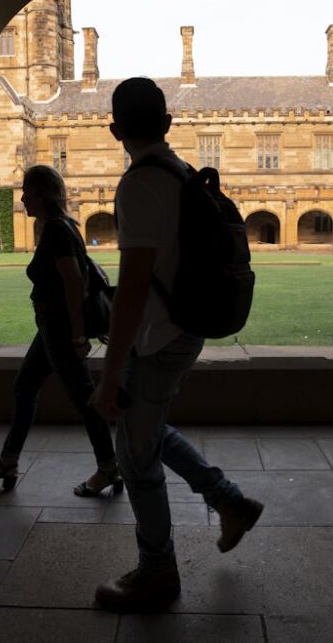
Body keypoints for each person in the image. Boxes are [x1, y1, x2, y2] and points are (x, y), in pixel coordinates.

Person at [90, 78, 264, 612]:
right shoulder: (182, 171)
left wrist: (109, 372)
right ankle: (229, 502)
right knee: (147, 429)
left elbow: (133, 287)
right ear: (167, 124)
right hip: (186, 327)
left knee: (135, 458)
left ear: (115, 130)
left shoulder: (140, 183)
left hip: (159, 336)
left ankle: (158, 573)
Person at [0, 165, 123, 497]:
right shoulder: (64, 224)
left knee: (84, 398)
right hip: (51, 330)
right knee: (25, 387)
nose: (23, 198)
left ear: (41, 195)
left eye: (27, 192)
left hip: (61, 331)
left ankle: (109, 466)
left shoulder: (55, 230)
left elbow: (74, 282)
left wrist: (78, 335)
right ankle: (8, 460)